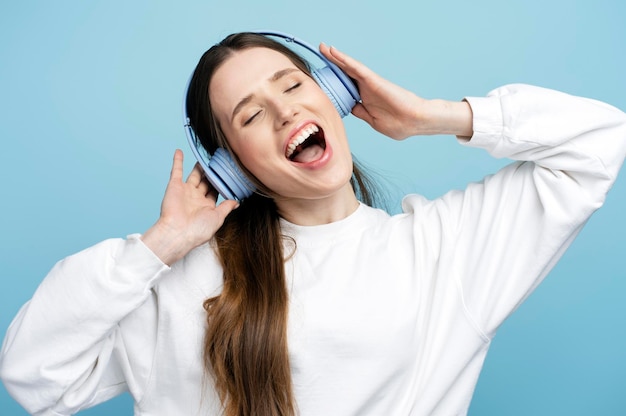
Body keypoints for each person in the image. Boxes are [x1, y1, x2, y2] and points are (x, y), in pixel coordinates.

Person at [1, 31, 625, 416]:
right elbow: (34, 375)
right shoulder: (179, 281)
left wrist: (432, 116)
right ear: (233, 169)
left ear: (335, 93)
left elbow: (600, 141)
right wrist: (159, 247)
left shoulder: (443, 252)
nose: (284, 110)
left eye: (294, 84)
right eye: (249, 116)